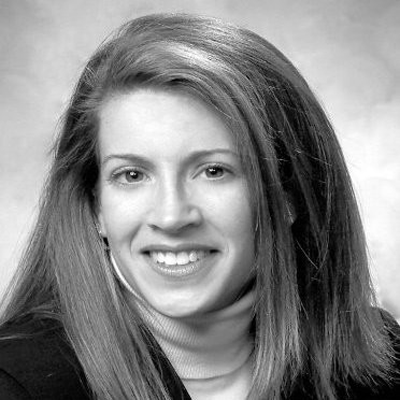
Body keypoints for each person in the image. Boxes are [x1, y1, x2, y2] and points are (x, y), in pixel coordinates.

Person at [0, 13, 398, 400]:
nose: (172, 217)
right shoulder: (17, 383)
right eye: (133, 175)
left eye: (213, 171)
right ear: (97, 206)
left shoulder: (382, 366)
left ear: (289, 195)